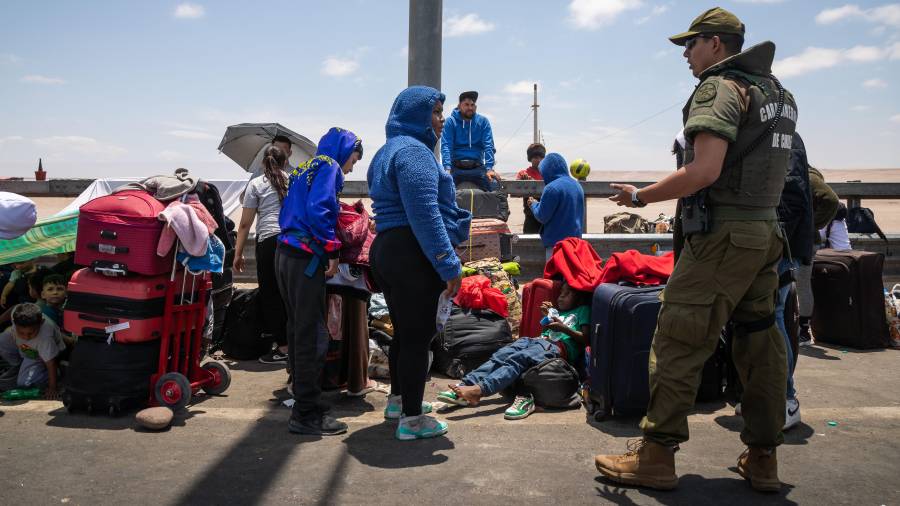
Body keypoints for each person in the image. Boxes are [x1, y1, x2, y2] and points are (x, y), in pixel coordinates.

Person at [595, 7, 798, 493]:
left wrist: (641, 196)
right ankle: (764, 458)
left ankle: (657, 456)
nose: (685, 54)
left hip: (723, 239)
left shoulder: (720, 88)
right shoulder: (779, 94)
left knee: (678, 338)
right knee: (759, 341)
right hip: (764, 235)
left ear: (716, 44)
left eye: (691, 44)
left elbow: (704, 170)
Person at [368, 86, 471, 440]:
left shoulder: (386, 151)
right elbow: (425, 214)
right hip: (412, 251)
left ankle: (399, 402)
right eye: (437, 112)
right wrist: (448, 264)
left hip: (388, 249)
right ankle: (412, 421)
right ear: (417, 115)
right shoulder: (414, 152)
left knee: (404, 334)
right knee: (417, 338)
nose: (442, 120)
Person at [276, 127, 363, 436]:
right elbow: (320, 209)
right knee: (313, 336)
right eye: (353, 158)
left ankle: (305, 401)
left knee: (298, 330)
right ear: (344, 150)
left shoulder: (304, 167)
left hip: (285, 254)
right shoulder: (329, 166)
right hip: (306, 260)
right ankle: (305, 414)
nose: (351, 166)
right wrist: (332, 249)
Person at [436, 281, 590, 420]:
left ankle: (479, 391)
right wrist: (549, 315)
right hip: (536, 340)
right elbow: (549, 329)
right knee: (501, 355)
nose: (561, 297)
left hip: (556, 346)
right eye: (561, 293)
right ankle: (466, 384)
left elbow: (585, 338)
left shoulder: (583, 310)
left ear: (579, 298)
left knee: (519, 359)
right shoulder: (558, 311)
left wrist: (563, 328)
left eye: (567, 294)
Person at [234, 144, 290, 365]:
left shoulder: (256, 185)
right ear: (284, 161)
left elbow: (245, 224)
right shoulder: (292, 181)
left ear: (262, 163)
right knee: (289, 294)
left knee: (271, 295)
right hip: (291, 242)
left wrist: (238, 254)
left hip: (268, 242)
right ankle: (294, 343)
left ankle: (283, 347)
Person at [526, 153, 585, 261]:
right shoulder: (577, 186)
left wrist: (533, 204)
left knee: (554, 276)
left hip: (556, 246)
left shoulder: (551, 188)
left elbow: (542, 216)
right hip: (576, 243)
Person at [0, 303, 64, 399]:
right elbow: (14, 307)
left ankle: (53, 373)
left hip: (42, 356)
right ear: (14, 321)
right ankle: (20, 366)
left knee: (24, 383)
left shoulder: (45, 338)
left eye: (31, 333)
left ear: (41, 323)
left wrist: (52, 387)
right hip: (26, 349)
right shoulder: (18, 314)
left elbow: (51, 363)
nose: (26, 337)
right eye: (21, 332)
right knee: (2, 340)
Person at [441, 91, 498, 192]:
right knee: (442, 187)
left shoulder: (483, 122)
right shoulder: (451, 121)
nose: (470, 108)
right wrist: (447, 169)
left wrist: (489, 168)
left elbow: (489, 145)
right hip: (456, 168)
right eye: (466, 104)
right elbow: (446, 146)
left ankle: (501, 208)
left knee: (494, 185)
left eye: (472, 105)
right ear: (459, 106)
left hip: (477, 168)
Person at [516, 143, 546, 234]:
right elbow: (516, 191)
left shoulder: (548, 172)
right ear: (530, 159)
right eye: (535, 157)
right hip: (531, 216)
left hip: (547, 215)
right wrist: (524, 183)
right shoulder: (523, 173)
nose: (539, 160)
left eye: (541, 157)